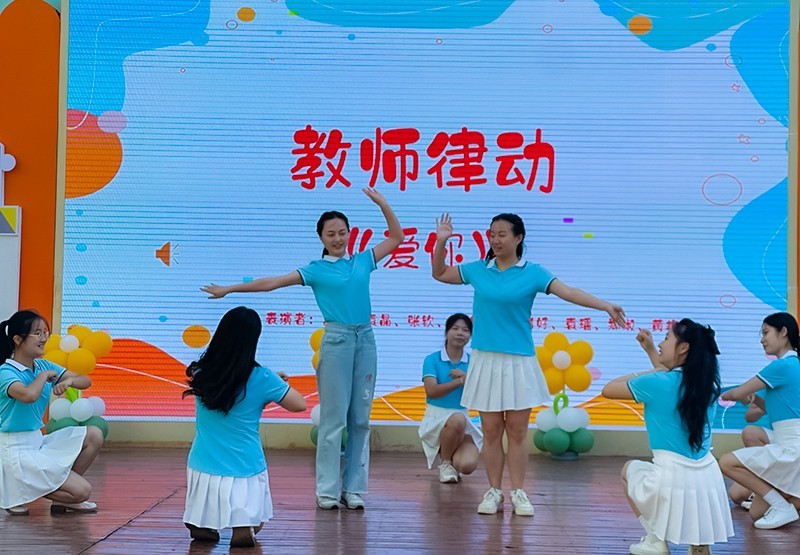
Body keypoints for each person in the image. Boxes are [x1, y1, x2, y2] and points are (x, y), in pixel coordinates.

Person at [202, 188, 403, 510]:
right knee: (333, 420)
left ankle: (353, 489)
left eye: (342, 232)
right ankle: (327, 490)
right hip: (336, 341)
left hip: (365, 340)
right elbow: (271, 283)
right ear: (321, 237)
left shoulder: (363, 261)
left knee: (360, 420)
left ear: (349, 233)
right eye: (331, 234)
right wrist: (230, 289)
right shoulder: (316, 270)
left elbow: (396, 237)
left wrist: (382, 203)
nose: (337, 238)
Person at [431, 212, 625, 516]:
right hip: (485, 360)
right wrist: (441, 241)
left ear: (518, 238)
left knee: (517, 431)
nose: (495, 240)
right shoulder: (478, 270)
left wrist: (604, 305)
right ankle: (494, 491)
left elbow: (569, 292)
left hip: (519, 361)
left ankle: (519, 492)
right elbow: (440, 273)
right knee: (491, 431)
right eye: (492, 234)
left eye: (502, 234)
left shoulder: (532, 272)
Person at [602, 321, 734, 555]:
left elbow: (609, 389)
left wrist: (651, 371)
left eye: (666, 338)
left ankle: (655, 540)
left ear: (683, 348)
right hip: (708, 481)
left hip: (669, 479)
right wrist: (651, 350)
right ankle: (699, 545)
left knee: (629, 470)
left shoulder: (656, 383)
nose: (661, 344)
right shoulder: (708, 387)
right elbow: (673, 379)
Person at [182, 306, 306, 547]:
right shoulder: (263, 377)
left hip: (203, 460)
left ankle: (200, 521)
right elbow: (299, 404)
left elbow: (230, 380)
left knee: (204, 493)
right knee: (253, 514)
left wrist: (270, 382)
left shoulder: (200, 371)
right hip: (245, 463)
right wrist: (274, 384)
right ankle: (243, 524)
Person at [0, 309, 103, 516]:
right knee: (83, 491)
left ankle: (60, 496)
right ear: (18, 339)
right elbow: (28, 395)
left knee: (94, 434)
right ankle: (17, 487)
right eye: (37, 333)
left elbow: (85, 380)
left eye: (45, 333)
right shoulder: (5, 372)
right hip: (15, 451)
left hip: (37, 442)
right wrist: (44, 376)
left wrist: (70, 381)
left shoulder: (42, 365)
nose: (44, 338)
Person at [719, 312, 800, 530]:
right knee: (756, 513)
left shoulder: (782, 366)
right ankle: (786, 503)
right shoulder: (793, 366)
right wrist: (756, 400)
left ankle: (782, 506)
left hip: (793, 448)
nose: (762, 340)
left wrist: (723, 393)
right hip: (789, 441)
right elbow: (781, 411)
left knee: (726, 462)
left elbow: (736, 393)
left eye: (766, 333)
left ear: (783, 332)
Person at [418, 313, 482, 483]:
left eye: (465, 330)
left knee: (467, 465)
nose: (460, 333)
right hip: (436, 417)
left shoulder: (474, 361)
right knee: (457, 420)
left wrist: (466, 378)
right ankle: (445, 463)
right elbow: (432, 391)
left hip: (462, 417)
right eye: (455, 328)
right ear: (446, 332)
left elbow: (480, 393)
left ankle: (453, 462)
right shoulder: (432, 359)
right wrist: (460, 381)